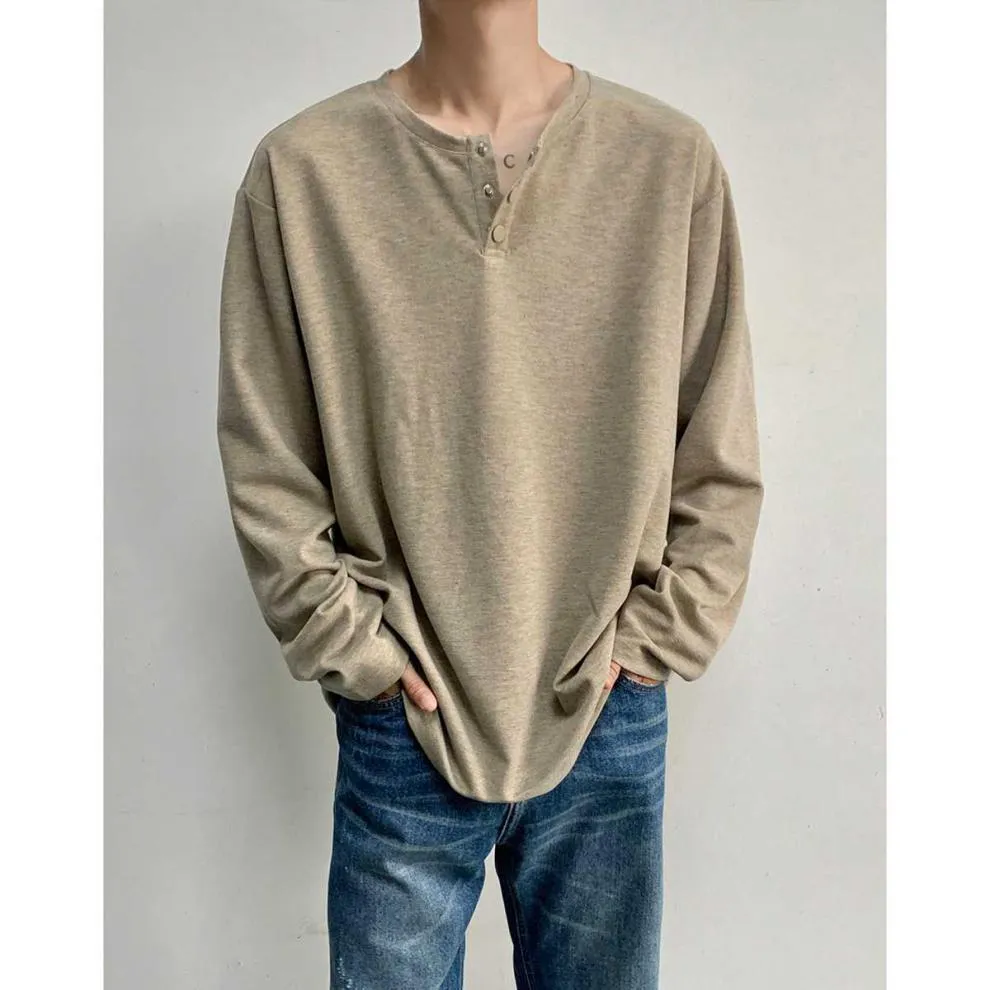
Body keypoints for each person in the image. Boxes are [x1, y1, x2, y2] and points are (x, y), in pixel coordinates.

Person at [216, 1, 764, 986]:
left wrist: (656, 639)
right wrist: (357, 652)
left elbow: (717, 443)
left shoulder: (666, 160)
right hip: (406, 708)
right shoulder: (305, 170)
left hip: (604, 702)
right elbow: (268, 456)